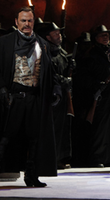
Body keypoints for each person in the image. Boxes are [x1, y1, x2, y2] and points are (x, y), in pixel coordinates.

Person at [0, 7, 61, 188]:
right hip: (12, 98)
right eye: (23, 21)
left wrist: (55, 90)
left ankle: (31, 176)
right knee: (4, 137)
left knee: (34, 138)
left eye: (29, 21)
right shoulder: (5, 42)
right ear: (16, 22)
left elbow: (50, 72)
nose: (26, 24)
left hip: (34, 99)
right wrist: (1, 89)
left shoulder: (41, 44)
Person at [71, 25, 110, 168]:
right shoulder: (91, 55)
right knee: (100, 128)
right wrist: (96, 85)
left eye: (107, 35)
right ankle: (97, 157)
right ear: (96, 39)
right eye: (102, 35)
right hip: (100, 96)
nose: (106, 37)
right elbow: (84, 76)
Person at [38, 22, 74, 169]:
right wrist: (63, 80)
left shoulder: (61, 53)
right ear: (48, 37)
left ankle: (59, 157)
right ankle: (47, 159)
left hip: (62, 97)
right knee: (49, 129)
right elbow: (48, 73)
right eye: (55, 33)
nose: (59, 36)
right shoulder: (43, 52)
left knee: (61, 129)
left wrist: (71, 68)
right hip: (49, 96)